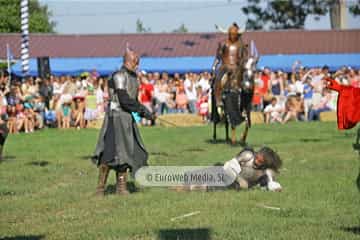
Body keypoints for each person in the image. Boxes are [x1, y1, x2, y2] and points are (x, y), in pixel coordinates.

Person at [92, 47, 154, 196]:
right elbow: (124, 99)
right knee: (109, 153)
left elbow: (132, 100)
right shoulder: (119, 76)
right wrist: (143, 111)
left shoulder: (133, 78)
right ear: (128, 60)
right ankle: (100, 188)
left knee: (126, 153)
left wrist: (141, 115)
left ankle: (121, 187)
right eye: (135, 62)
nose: (137, 65)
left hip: (127, 119)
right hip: (116, 118)